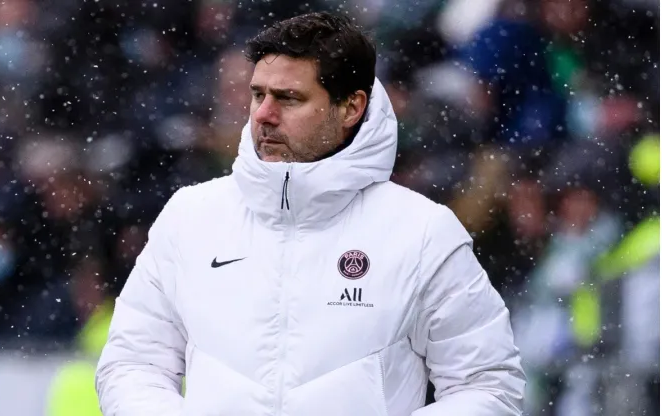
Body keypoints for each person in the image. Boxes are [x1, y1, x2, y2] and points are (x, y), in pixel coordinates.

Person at [95, 11, 526, 416]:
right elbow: (132, 364)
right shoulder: (189, 217)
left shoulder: (422, 231)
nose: (263, 115)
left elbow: (487, 385)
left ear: (351, 108)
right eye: (258, 94)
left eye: (289, 98)